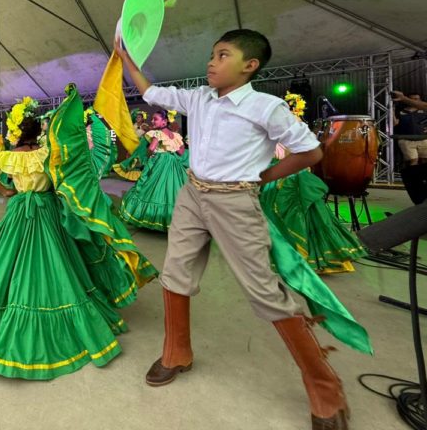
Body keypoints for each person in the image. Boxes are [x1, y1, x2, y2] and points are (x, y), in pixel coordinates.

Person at [116, 28, 365, 429]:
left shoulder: (266, 108)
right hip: (192, 195)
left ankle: (323, 383)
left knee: (265, 291)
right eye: (212, 54)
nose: (211, 62)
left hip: (235, 201)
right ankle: (176, 352)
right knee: (174, 274)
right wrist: (125, 57)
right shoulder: (197, 97)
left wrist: (263, 177)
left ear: (249, 66)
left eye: (222, 55)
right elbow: (150, 92)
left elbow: (311, 151)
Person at [0, 85, 157, 379]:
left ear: (15, 134)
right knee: (58, 261)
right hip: (48, 210)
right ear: (37, 132)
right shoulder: (47, 154)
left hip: (18, 211)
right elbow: (63, 178)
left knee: (5, 263)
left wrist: (7, 191)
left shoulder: (4, 156)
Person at [260, 93, 366, 274]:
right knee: (306, 216)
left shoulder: (286, 127)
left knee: (289, 216)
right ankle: (315, 255)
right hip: (289, 177)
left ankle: (297, 256)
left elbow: (290, 154)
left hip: (287, 180)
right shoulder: (296, 126)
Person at [118, 110, 188, 231]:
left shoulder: (157, 133)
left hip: (160, 163)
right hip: (173, 164)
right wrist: (170, 148)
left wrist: (150, 154)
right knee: (172, 191)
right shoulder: (175, 135)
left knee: (152, 188)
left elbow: (151, 148)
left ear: (164, 121)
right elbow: (181, 152)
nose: (152, 121)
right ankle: (174, 220)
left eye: (155, 119)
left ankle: (154, 218)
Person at [392, 92, 427, 166]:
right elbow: (394, 123)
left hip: (423, 139)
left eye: (416, 99)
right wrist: (392, 112)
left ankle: (423, 177)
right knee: (413, 161)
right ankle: (414, 177)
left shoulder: (424, 110)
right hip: (406, 140)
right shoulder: (401, 111)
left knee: (425, 160)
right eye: (412, 99)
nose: (414, 101)